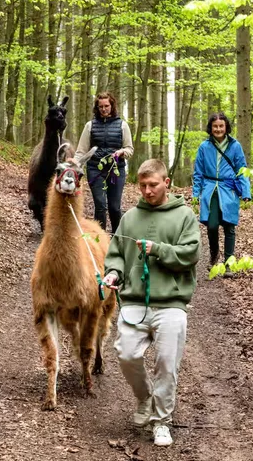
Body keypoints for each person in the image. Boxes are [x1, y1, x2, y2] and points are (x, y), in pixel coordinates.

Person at [101, 159, 201, 448]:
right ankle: (146, 398)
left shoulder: (184, 216)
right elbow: (116, 252)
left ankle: (161, 421)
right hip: (134, 301)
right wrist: (113, 273)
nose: (147, 191)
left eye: (153, 185)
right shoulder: (130, 218)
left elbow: (190, 254)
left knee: (167, 363)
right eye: (142, 185)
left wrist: (158, 250)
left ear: (166, 183)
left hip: (171, 303)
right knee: (126, 353)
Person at [192, 112, 252, 266]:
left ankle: (229, 263)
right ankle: (214, 252)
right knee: (212, 225)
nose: (218, 129)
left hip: (229, 189)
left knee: (229, 226)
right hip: (210, 189)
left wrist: (246, 192)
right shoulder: (204, 147)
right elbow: (198, 172)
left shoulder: (235, 146)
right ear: (210, 128)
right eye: (215, 126)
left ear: (226, 127)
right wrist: (196, 193)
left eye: (221, 126)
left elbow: (242, 169)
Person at [73, 91, 134, 233]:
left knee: (114, 207)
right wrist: (74, 165)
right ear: (97, 108)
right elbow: (81, 151)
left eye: (106, 106)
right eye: (101, 107)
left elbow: (129, 149)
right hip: (95, 169)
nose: (104, 109)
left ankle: (117, 239)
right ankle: (99, 239)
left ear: (112, 106)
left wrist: (121, 152)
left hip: (116, 170)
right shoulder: (90, 126)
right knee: (100, 205)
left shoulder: (122, 125)